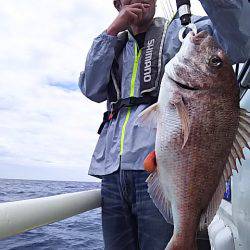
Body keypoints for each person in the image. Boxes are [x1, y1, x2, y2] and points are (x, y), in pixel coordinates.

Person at [78, 0, 250, 249]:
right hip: (111, 173)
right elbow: (91, 88)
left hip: (160, 168)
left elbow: (241, 39)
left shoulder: (183, 32)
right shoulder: (112, 44)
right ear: (118, 3)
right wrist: (112, 30)